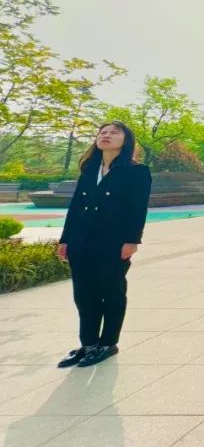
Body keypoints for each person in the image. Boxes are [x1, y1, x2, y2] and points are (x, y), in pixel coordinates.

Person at [56, 121, 152, 369]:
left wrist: (132, 240)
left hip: (113, 242)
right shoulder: (89, 168)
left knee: (111, 292)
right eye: (103, 132)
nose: (106, 135)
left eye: (114, 132)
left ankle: (108, 343)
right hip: (81, 241)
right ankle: (88, 344)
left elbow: (138, 208)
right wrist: (65, 239)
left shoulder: (137, 171)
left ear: (126, 140)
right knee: (83, 294)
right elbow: (76, 207)